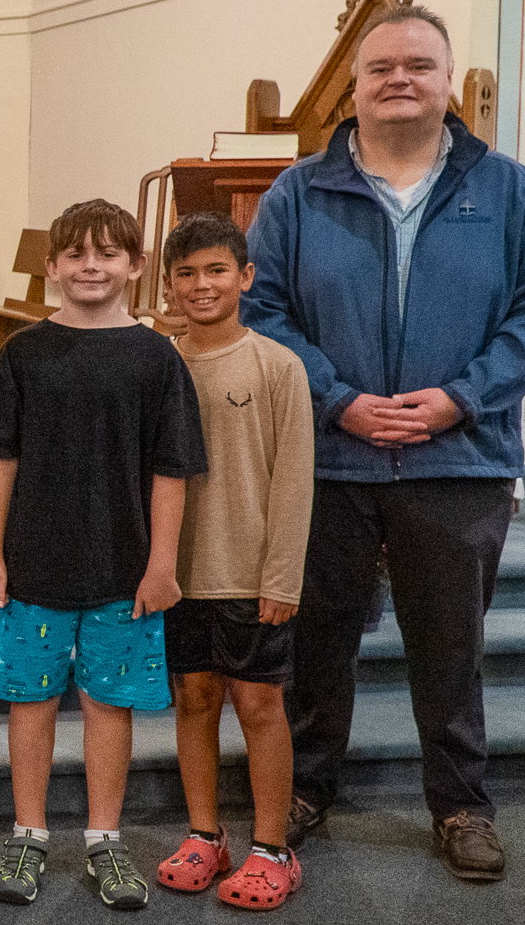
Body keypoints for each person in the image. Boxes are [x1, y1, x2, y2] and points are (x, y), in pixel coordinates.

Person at [245, 4, 525, 882]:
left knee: (450, 644)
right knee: (317, 638)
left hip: (456, 458)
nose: (400, 79)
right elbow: (262, 308)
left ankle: (462, 802)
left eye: (419, 66)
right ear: (353, 87)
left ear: (448, 81)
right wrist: (339, 399)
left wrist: (459, 401)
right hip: (328, 456)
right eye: (382, 66)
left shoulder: (507, 189)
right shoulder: (298, 194)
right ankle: (306, 788)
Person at [0, 198, 206, 910]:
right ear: (53, 266)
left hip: (123, 569)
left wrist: (161, 563)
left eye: (108, 254)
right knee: (31, 700)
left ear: (136, 267)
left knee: (109, 704)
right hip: (33, 564)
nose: (91, 266)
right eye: (75, 254)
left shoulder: (155, 357)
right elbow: (0, 460)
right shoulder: (22, 352)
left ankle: (105, 837)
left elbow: (172, 467)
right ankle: (30, 830)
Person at [151, 212, 312, 911]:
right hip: (179, 572)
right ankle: (204, 835)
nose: (201, 285)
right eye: (185, 273)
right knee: (194, 698)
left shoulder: (277, 366)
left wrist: (281, 576)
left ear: (245, 277)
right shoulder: (156, 364)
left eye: (216, 270)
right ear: (168, 285)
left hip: (250, 570)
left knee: (258, 702)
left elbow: (295, 478)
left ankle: (273, 847)